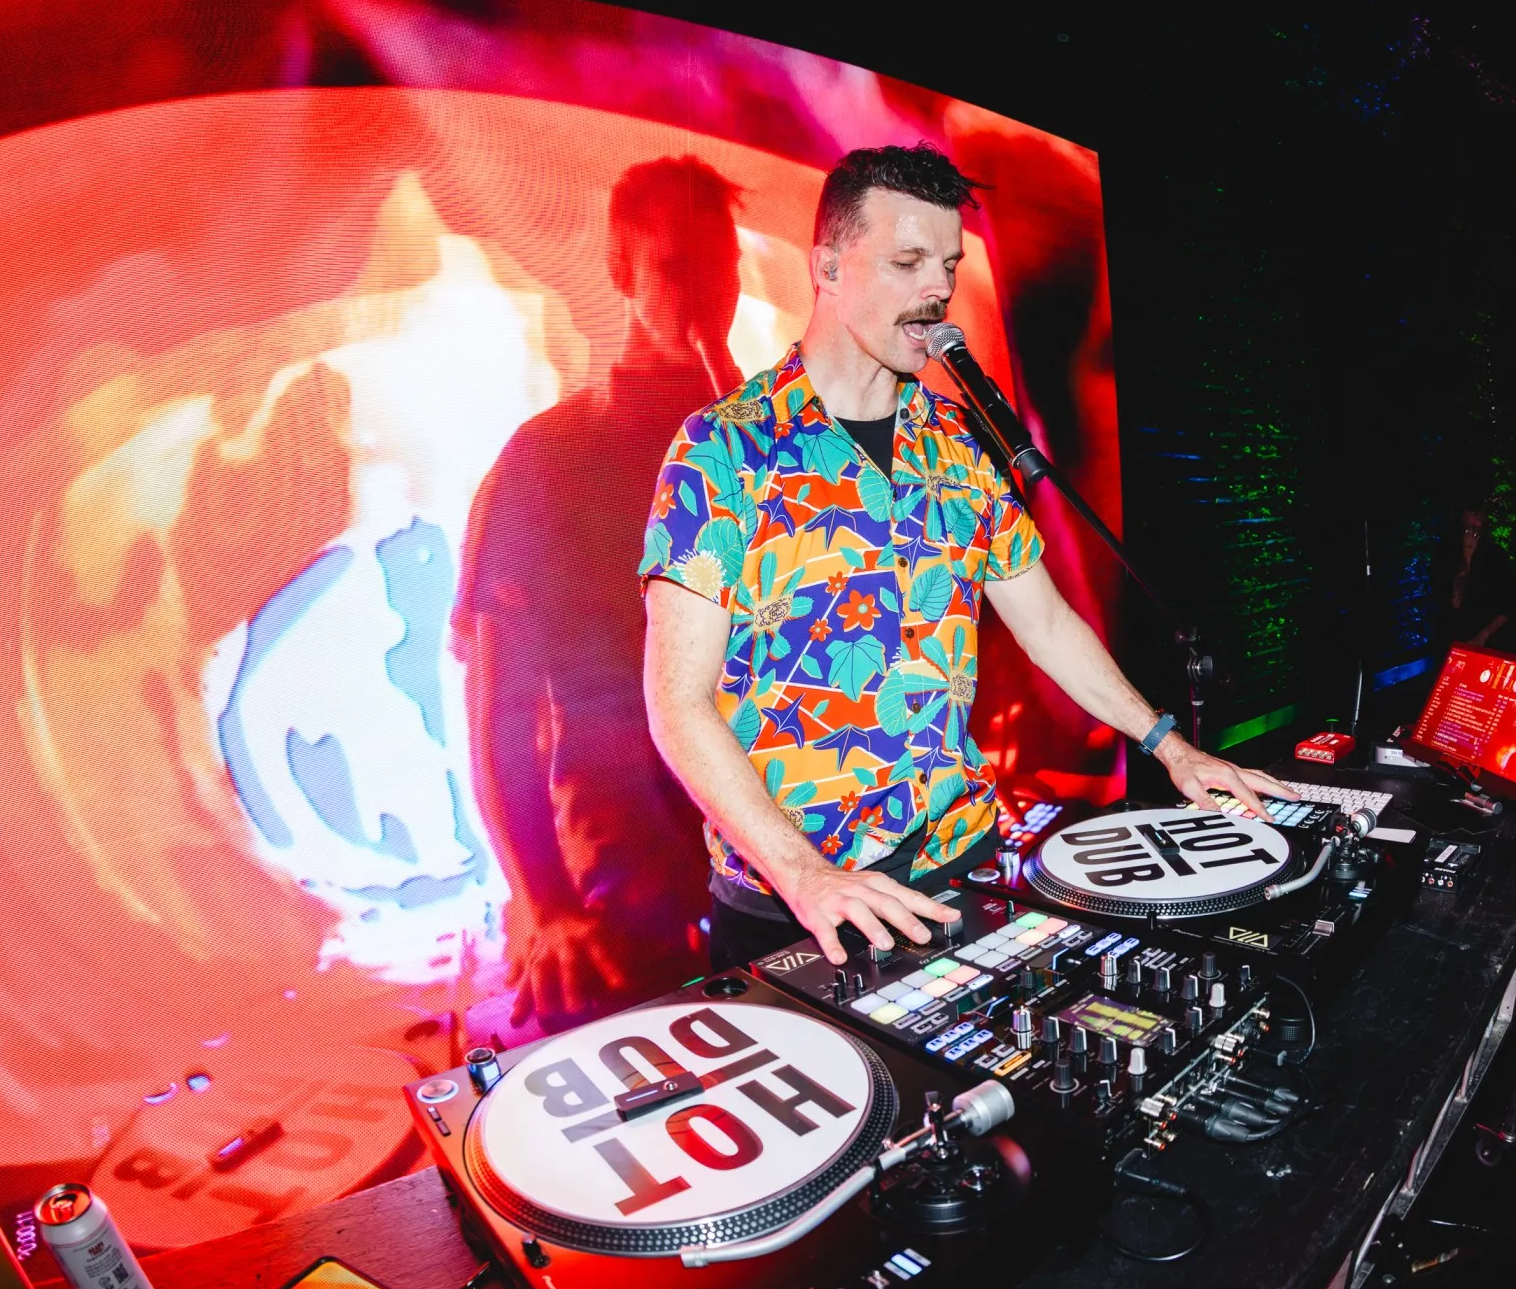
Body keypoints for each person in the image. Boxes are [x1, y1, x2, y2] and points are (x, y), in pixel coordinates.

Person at [639, 144, 1293, 970]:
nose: (936, 290)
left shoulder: (957, 447)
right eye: (906, 261)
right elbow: (677, 700)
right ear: (827, 267)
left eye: (946, 265)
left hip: (959, 864)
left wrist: (1170, 745)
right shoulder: (723, 449)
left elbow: (1047, 624)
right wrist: (804, 875)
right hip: (796, 902)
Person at [456, 156, 745, 1024]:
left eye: (721, 270)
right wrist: (546, 904)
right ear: (622, 271)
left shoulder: (770, 447)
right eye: (676, 269)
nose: (705, 299)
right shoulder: (549, 458)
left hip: (774, 852)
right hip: (626, 878)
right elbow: (500, 705)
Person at [1430, 503, 1514, 652]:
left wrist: (1484, 634)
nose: (1478, 522)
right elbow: (1453, 601)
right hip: (1455, 641)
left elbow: (1511, 602)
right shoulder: (1444, 556)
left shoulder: (1496, 555)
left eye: (1481, 515)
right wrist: (1467, 557)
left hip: (1490, 642)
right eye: (1474, 514)